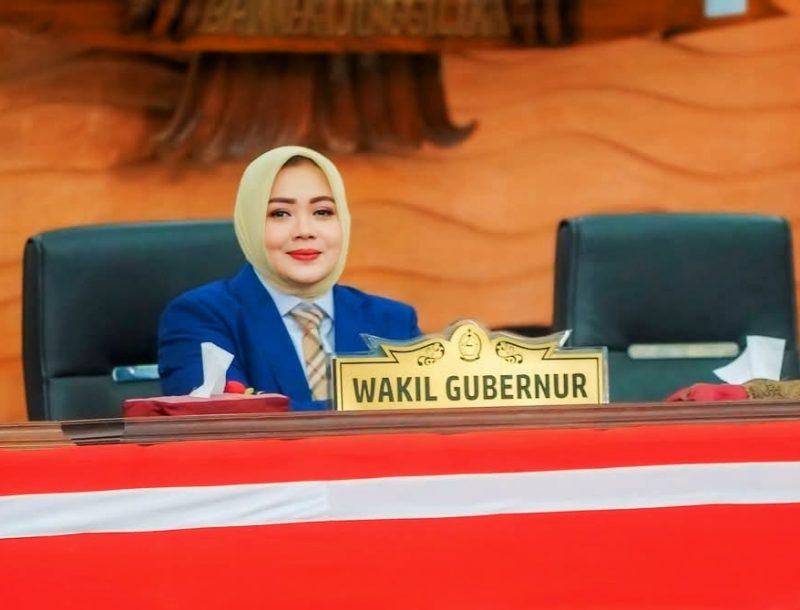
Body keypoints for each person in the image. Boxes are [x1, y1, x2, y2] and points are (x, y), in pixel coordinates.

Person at [158, 145, 422, 409]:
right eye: (280, 214)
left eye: (322, 212)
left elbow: (430, 417)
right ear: (249, 224)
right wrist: (375, 409)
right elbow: (223, 417)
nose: (305, 231)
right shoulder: (200, 317)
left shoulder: (394, 323)